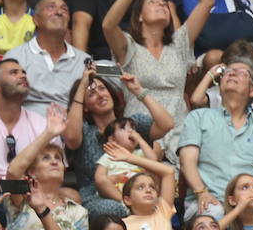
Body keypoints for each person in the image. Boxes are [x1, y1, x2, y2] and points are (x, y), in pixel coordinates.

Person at [102, 0, 216, 141]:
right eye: (153, 2)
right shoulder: (129, 46)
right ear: (139, 16)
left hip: (180, 132)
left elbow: (207, 2)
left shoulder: (179, 43)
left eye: (164, 3)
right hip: (141, 133)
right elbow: (108, 26)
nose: (162, 4)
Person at [177, 60, 253, 221]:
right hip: (208, 201)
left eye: (242, 73)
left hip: (252, 203)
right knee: (215, 216)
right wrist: (201, 192)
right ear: (219, 88)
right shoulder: (198, 117)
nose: (232, 73)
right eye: (228, 72)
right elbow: (187, 161)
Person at [64, 68, 174, 217]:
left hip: (140, 191)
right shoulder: (84, 130)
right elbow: (70, 137)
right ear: (85, 107)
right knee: (117, 209)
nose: (100, 94)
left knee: (157, 204)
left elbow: (167, 124)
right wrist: (82, 85)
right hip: (98, 197)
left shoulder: (131, 125)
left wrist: (138, 90)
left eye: (102, 88)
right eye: (91, 94)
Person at [2, 0, 86, 115]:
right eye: (51, 7)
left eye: (64, 9)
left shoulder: (84, 61)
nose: (59, 12)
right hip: (28, 127)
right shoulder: (15, 57)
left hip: (73, 127)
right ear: (36, 20)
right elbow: (5, 101)